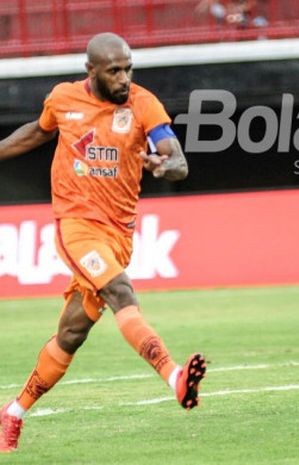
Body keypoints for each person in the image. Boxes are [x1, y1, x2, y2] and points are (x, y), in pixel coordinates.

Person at [0, 33, 206, 453]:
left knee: (71, 334)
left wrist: (164, 167)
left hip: (118, 234)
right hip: (76, 227)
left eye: (128, 68)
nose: (124, 78)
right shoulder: (62, 99)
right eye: (114, 71)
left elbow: (178, 161)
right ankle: (175, 376)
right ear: (90, 71)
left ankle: (13, 413)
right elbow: (36, 134)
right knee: (121, 292)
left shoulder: (144, 105)